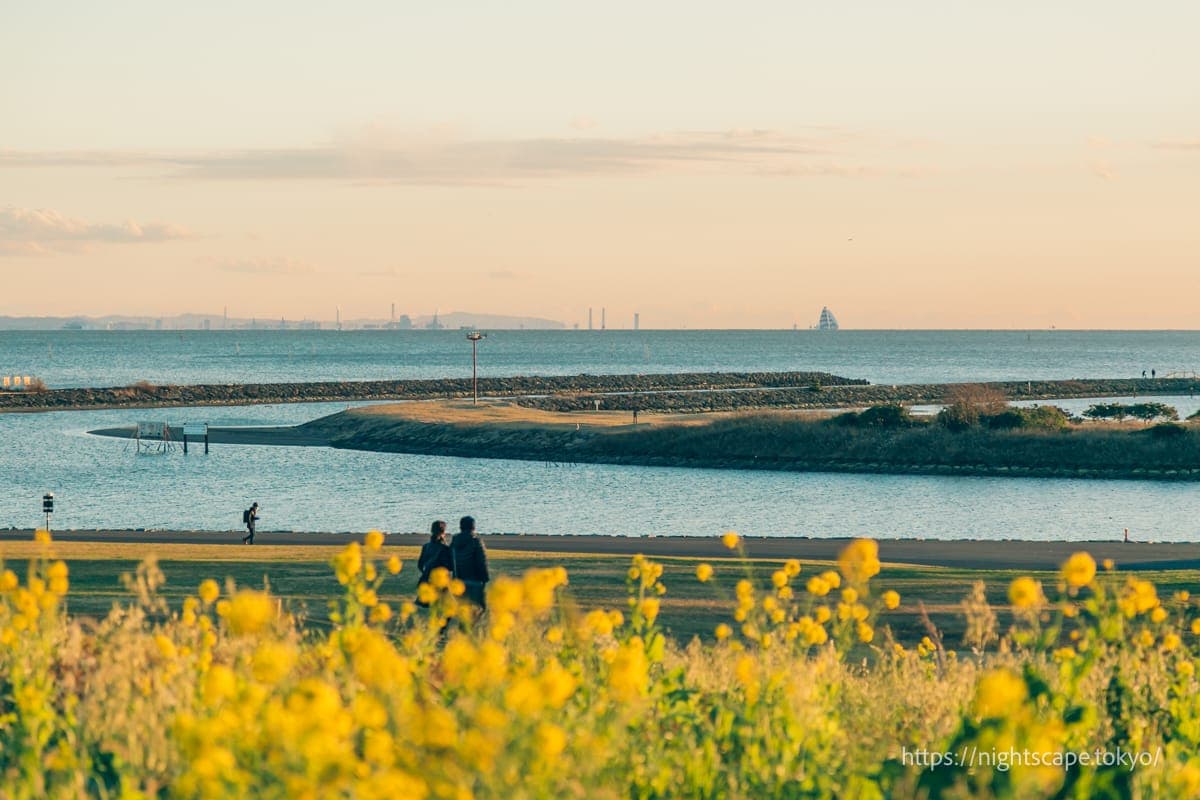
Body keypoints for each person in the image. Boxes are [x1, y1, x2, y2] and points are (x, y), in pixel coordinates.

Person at [451, 515, 490, 608]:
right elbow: (481, 561)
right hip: (474, 580)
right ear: (473, 527)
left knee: (464, 607)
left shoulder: (455, 541)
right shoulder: (476, 541)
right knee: (480, 607)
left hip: (458, 579)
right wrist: (485, 578)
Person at [417, 520, 452, 586]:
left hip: (426, 580)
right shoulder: (445, 548)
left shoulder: (426, 546)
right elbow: (450, 566)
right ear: (443, 532)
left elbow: (420, 565)